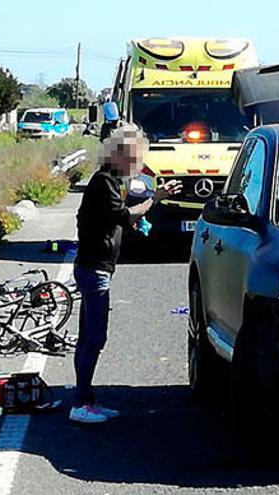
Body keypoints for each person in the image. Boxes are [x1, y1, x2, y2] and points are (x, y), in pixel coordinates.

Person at [70, 125, 181, 423]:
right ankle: (81, 403)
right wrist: (154, 199)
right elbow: (126, 214)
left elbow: (116, 220)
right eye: (133, 158)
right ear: (119, 154)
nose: (136, 164)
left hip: (94, 267)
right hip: (94, 269)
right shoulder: (104, 183)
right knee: (94, 337)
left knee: (88, 337)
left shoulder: (109, 181)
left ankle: (86, 398)